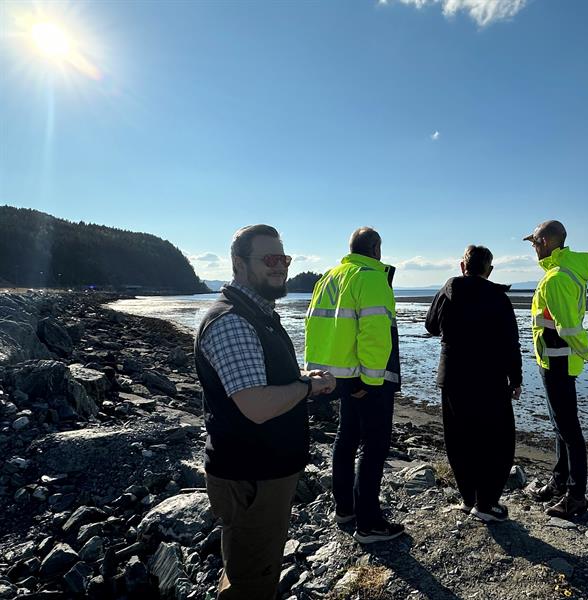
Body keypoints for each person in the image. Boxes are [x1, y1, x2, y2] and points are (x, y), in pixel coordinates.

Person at [195, 224, 336, 600]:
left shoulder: (255, 313)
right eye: (270, 259)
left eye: (284, 258)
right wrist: (307, 387)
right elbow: (255, 405)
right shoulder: (233, 321)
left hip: (260, 472)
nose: (280, 267)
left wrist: (302, 375)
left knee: (249, 568)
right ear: (238, 264)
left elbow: (256, 379)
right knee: (251, 583)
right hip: (251, 477)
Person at [304, 226, 404, 543]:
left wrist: (327, 375)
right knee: (374, 446)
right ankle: (370, 523)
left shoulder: (329, 277)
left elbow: (314, 326)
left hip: (337, 375)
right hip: (364, 377)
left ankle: (345, 508)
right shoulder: (371, 277)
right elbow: (374, 334)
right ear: (375, 247)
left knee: (346, 439)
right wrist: (370, 382)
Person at [425, 245, 522, 522]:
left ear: (462, 266)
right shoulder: (499, 298)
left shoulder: (448, 290)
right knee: (497, 441)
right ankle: (487, 503)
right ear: (488, 270)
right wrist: (516, 378)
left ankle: (469, 499)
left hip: (453, 376)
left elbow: (430, 325)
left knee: (459, 439)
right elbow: (510, 343)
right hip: (489, 379)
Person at [524, 220, 588, 519]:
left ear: (545, 242)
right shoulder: (565, 272)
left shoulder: (556, 278)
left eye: (535, 243)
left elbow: (568, 326)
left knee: (569, 429)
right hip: (556, 359)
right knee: (560, 426)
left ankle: (576, 497)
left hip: (559, 360)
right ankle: (558, 482)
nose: (533, 248)